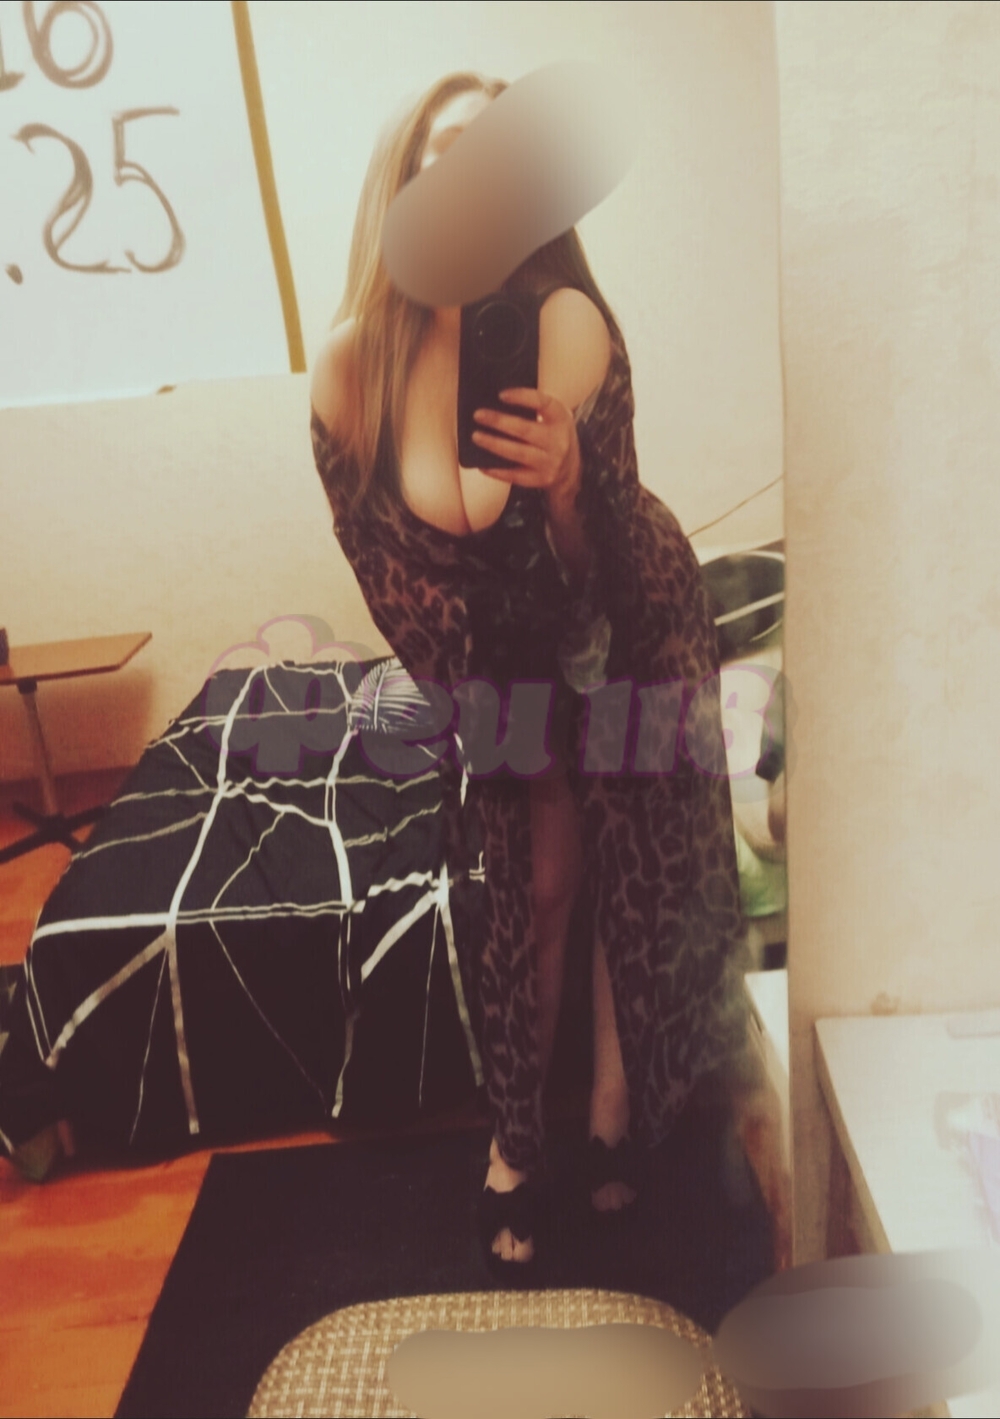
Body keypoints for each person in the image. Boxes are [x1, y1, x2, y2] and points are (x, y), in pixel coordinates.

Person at [310, 71, 750, 1269]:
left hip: (628, 618)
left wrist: (562, 486)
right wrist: (487, 713)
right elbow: (385, 572)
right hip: (490, 655)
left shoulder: (567, 326)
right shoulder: (350, 370)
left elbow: (603, 558)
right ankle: (515, 1143)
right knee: (537, 876)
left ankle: (611, 1112)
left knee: (622, 857)